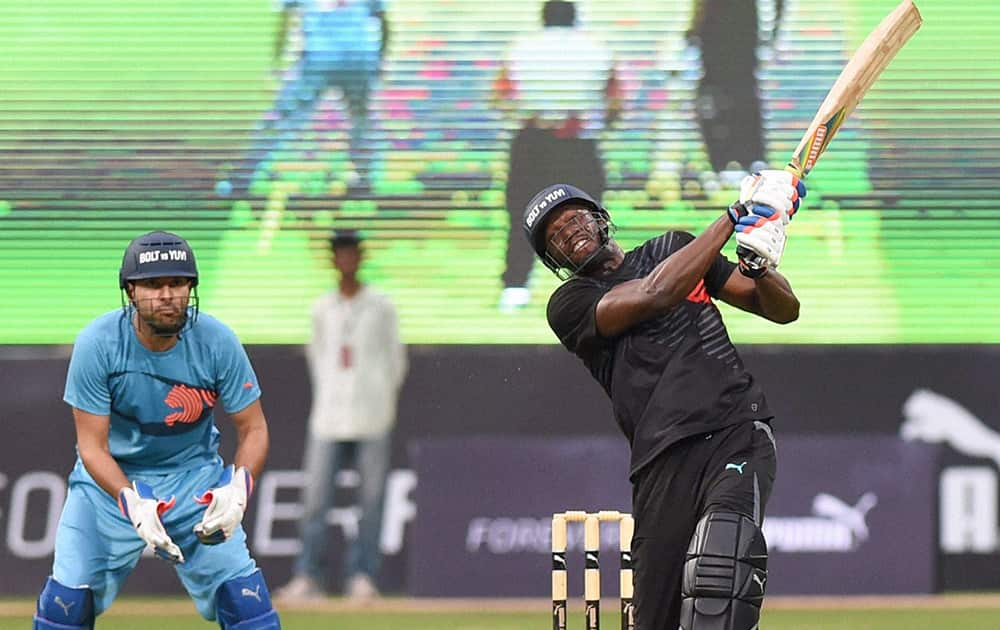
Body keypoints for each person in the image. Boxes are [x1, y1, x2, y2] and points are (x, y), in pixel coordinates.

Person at [522, 171, 807, 629]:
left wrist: (759, 264)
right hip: (660, 458)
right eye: (553, 237)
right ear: (551, 260)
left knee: (721, 571)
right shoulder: (570, 304)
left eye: (573, 220)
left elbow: (782, 309)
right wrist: (735, 217)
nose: (568, 233)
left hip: (735, 430)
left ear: (600, 219)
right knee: (655, 617)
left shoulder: (675, 247)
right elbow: (657, 292)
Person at [33, 231, 280, 629]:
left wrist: (239, 490)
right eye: (152, 284)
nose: (167, 295)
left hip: (194, 481)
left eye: (177, 283)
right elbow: (92, 447)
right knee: (65, 608)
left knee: (247, 607)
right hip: (109, 488)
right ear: (130, 291)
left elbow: (254, 429)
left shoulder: (218, 342)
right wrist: (131, 501)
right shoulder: (98, 343)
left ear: (190, 288)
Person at [277, 229, 407, 601]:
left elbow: (395, 360)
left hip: (372, 416)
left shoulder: (382, 305)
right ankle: (307, 577)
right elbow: (317, 359)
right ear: (333, 260)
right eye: (340, 254)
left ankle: (363, 577)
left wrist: (382, 399)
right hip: (328, 418)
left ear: (360, 258)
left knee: (371, 502)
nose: (346, 260)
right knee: (315, 501)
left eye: (352, 253)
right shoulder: (321, 308)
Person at [493, 0, 621, 313]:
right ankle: (597, 286)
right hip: (578, 142)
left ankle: (515, 287)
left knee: (523, 213)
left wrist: (530, 116)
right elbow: (616, 101)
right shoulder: (597, 49)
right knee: (589, 219)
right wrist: (594, 123)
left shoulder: (521, 49)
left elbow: (498, 96)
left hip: (533, 140)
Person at [218, 0, 389, 198]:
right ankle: (366, 179)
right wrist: (379, 59)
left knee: (281, 118)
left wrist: (277, 61)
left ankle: (242, 178)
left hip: (318, 59)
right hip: (359, 58)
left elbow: (285, 21)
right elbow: (384, 23)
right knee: (362, 121)